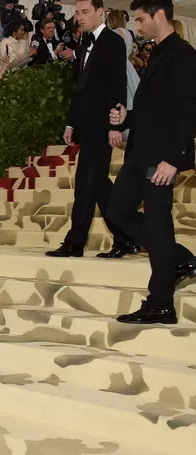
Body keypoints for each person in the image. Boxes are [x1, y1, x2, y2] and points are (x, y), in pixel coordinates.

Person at [107, 0, 196, 324]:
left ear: (160, 15)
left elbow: (189, 112)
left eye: (141, 19)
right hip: (141, 154)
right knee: (118, 209)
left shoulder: (184, 55)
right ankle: (180, 259)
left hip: (160, 159)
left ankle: (161, 303)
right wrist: (126, 116)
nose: (138, 27)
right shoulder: (157, 53)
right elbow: (155, 109)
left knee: (158, 222)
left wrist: (173, 160)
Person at [47, 0, 136, 259]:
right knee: (96, 184)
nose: (79, 17)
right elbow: (81, 89)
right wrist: (71, 122)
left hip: (103, 125)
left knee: (88, 183)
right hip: (87, 125)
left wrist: (114, 125)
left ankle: (75, 242)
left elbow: (117, 85)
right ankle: (125, 236)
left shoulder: (112, 41)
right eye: (76, 13)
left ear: (101, 12)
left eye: (85, 12)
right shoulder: (84, 42)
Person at [107, 7, 141, 138]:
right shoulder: (128, 32)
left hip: (120, 67)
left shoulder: (114, 33)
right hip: (129, 67)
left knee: (124, 99)